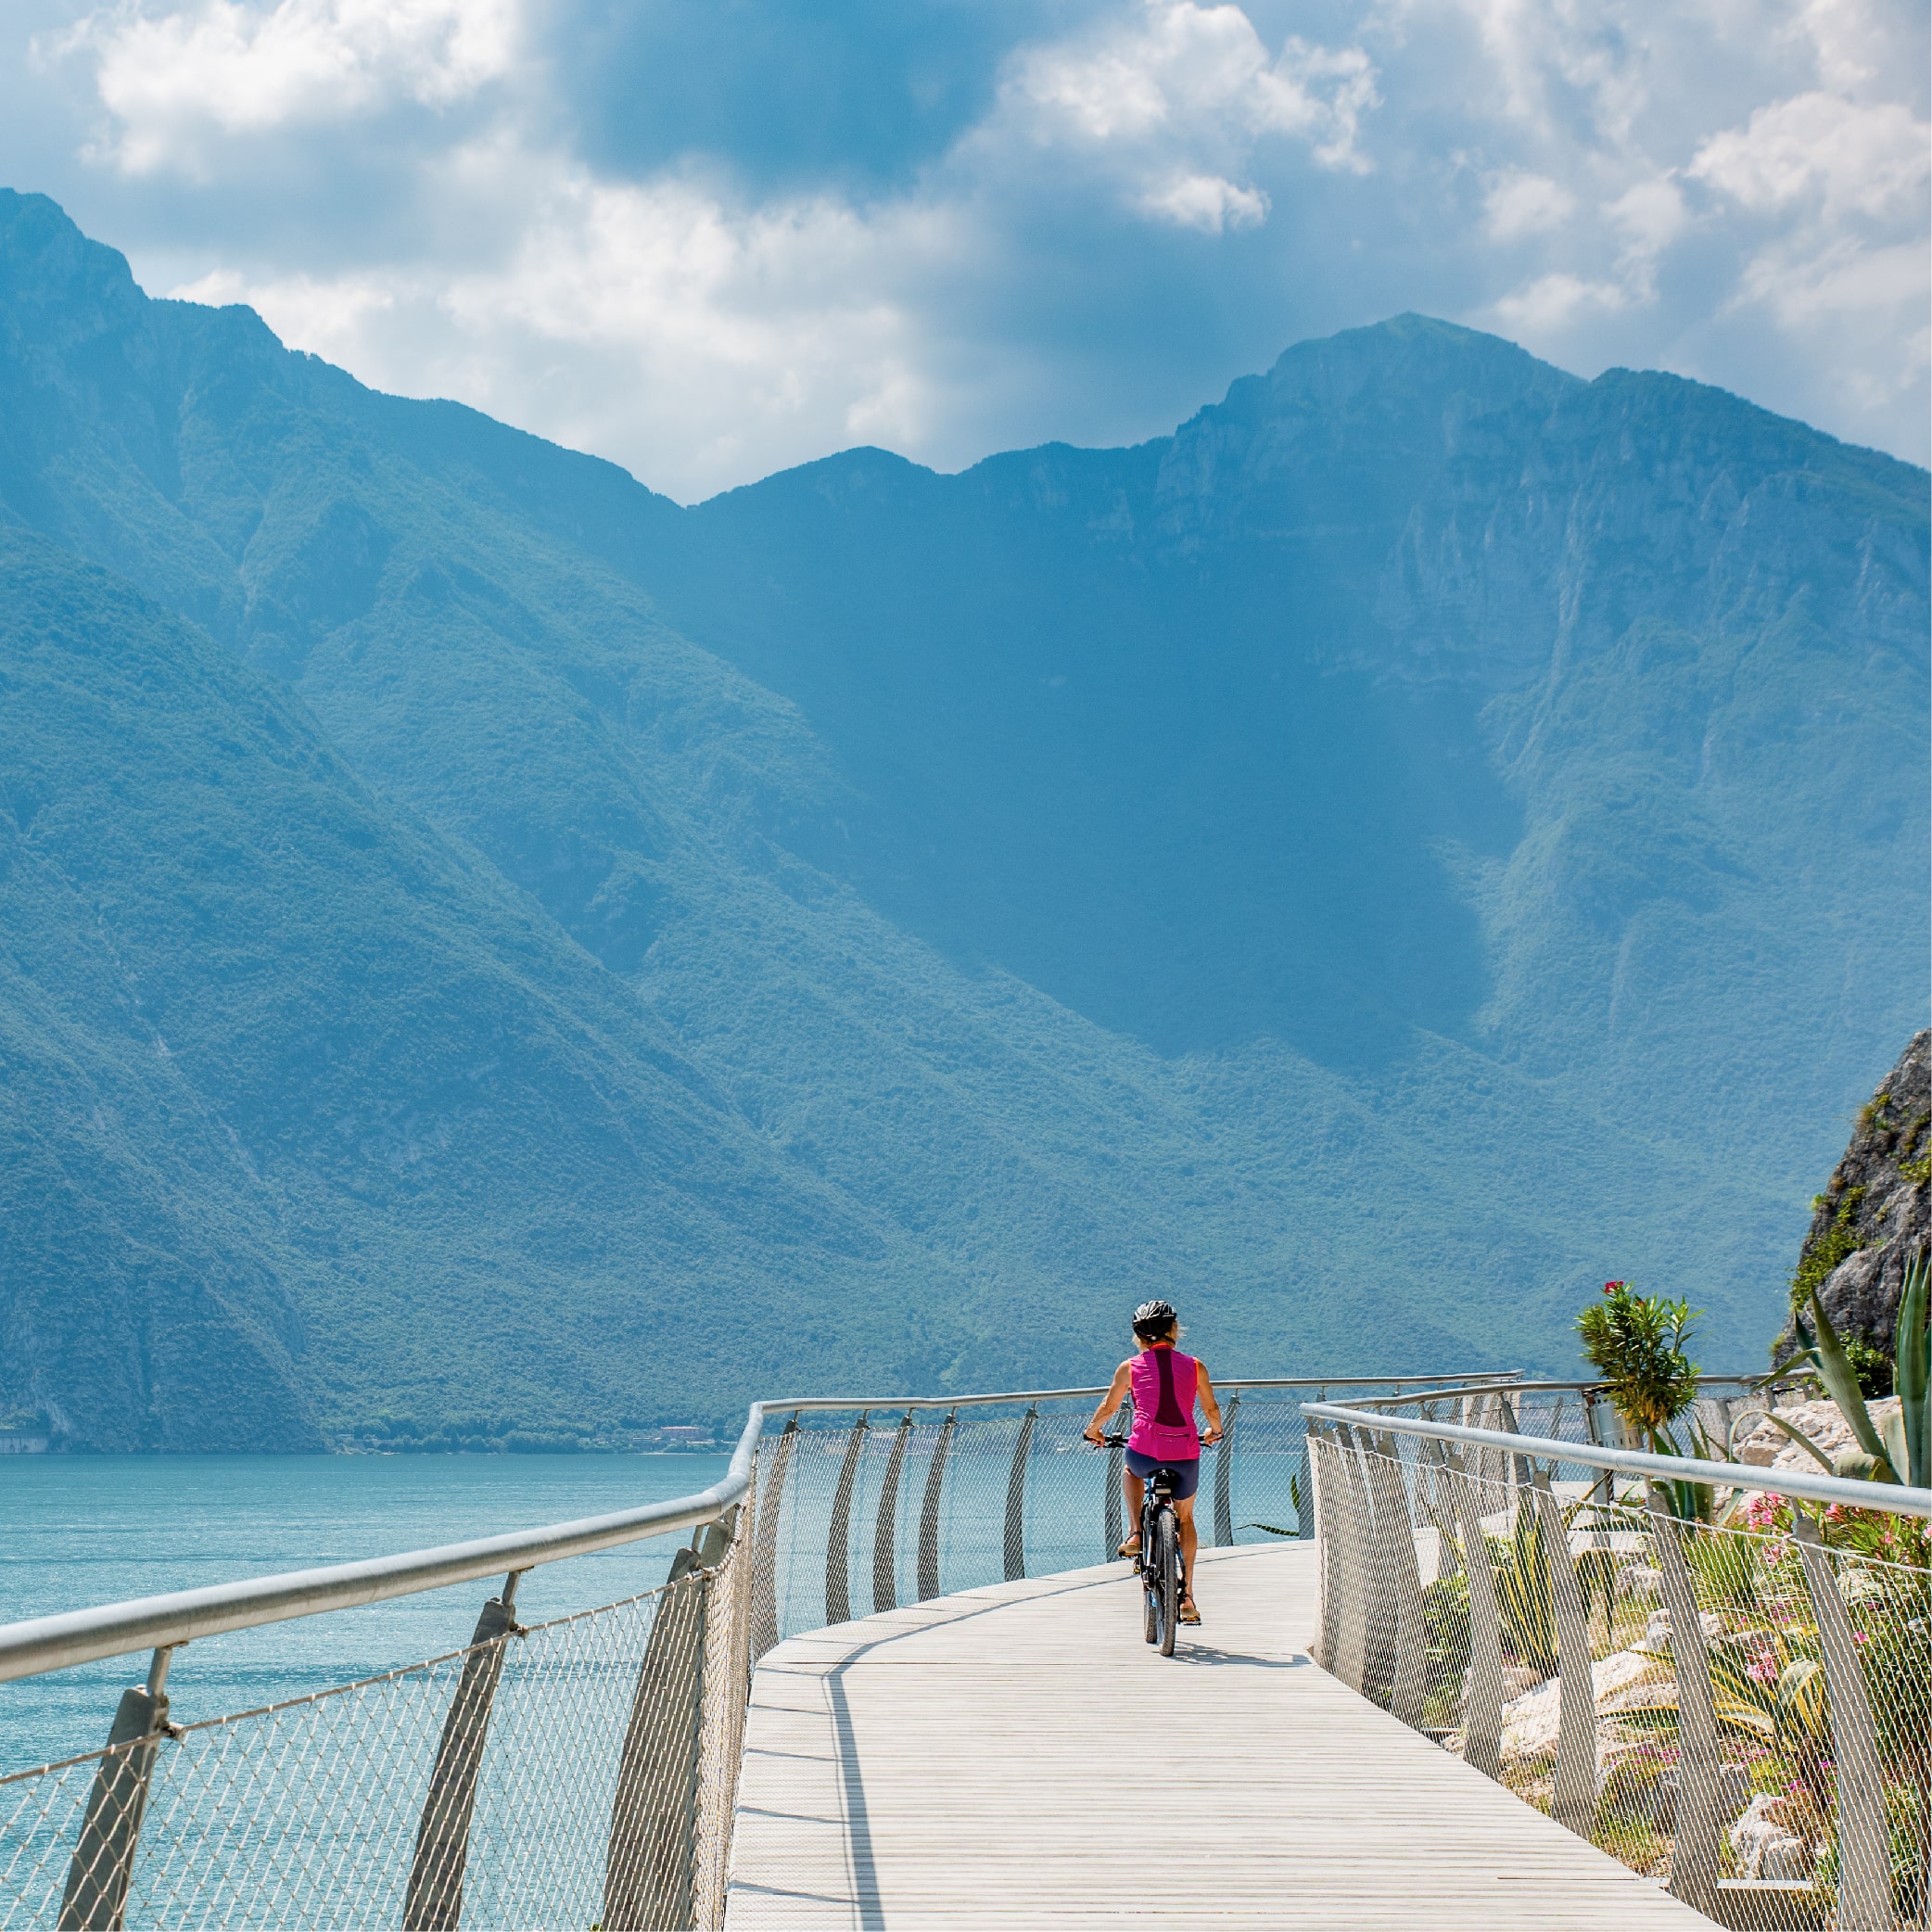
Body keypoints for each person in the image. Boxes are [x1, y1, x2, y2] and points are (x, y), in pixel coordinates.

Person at [1083, 1300, 1223, 1625]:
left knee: (1131, 1470)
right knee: (1185, 1520)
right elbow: (1212, 1409)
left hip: (1144, 1451)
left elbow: (1108, 1407)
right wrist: (1215, 1432)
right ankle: (1186, 1596)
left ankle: (1134, 1534)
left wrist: (1094, 1432)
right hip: (1185, 1452)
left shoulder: (1130, 1367)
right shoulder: (1195, 1365)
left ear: (1139, 1336)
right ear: (1174, 1330)